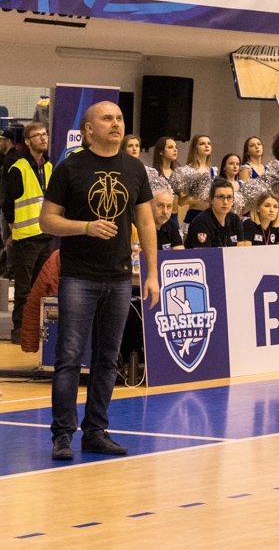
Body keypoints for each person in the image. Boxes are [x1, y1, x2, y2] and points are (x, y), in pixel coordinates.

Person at [38, 101, 157, 461]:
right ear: (88, 129)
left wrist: (152, 274)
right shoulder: (70, 168)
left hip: (120, 277)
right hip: (78, 277)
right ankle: (62, 436)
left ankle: (96, 431)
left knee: (108, 360)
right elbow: (47, 221)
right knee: (69, 358)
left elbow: (146, 223)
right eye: (107, 119)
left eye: (119, 118)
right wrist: (85, 227)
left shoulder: (135, 168)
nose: (116, 124)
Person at [4, 121, 53, 345]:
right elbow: (7, 205)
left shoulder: (50, 167)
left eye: (45, 134)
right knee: (23, 289)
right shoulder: (18, 167)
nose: (43, 138)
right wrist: (14, 232)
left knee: (42, 287)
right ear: (27, 141)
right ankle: (20, 330)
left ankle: (39, 331)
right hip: (25, 238)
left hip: (46, 236)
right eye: (37, 135)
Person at [186, 180, 242, 248]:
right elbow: (202, 255)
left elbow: (241, 252)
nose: (225, 202)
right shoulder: (201, 222)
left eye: (229, 197)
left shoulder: (235, 219)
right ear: (211, 199)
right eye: (220, 197)